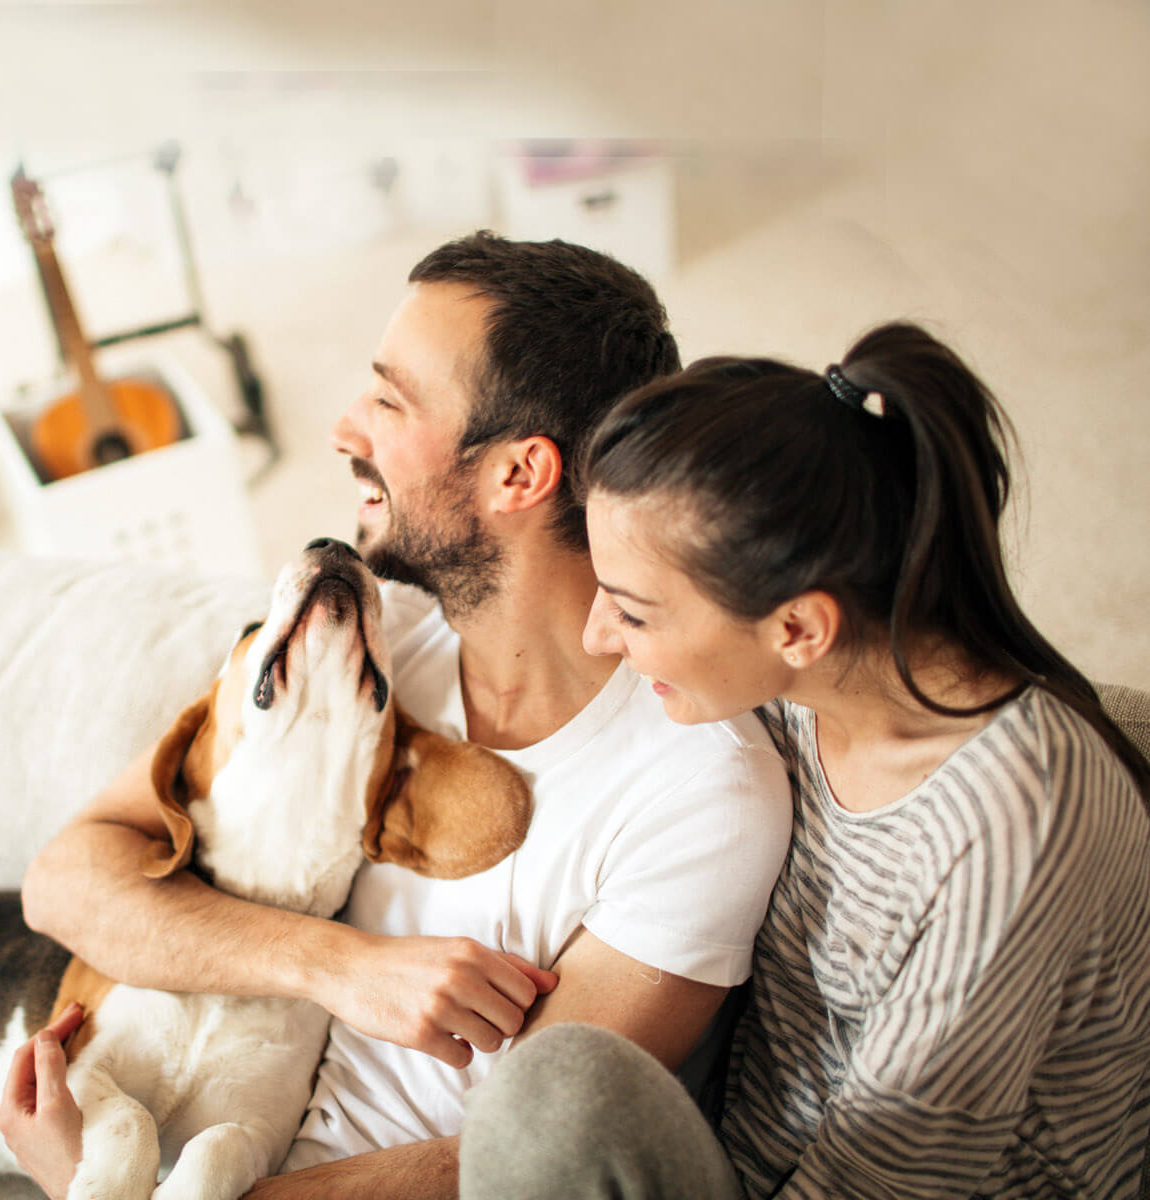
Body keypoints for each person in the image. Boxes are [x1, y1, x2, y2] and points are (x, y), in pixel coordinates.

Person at [2, 233, 795, 1199]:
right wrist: (339, 966)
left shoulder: (700, 792)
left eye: (389, 399)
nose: (343, 428)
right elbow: (64, 878)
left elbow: (510, 1166)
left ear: (518, 475)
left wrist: (105, 1188)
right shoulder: (372, 646)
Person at [458, 323, 1150, 1199]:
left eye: (632, 613)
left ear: (798, 629)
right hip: (751, 1133)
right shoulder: (794, 686)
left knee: (552, 1101)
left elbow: (891, 1178)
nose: (600, 635)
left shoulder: (1015, 817)